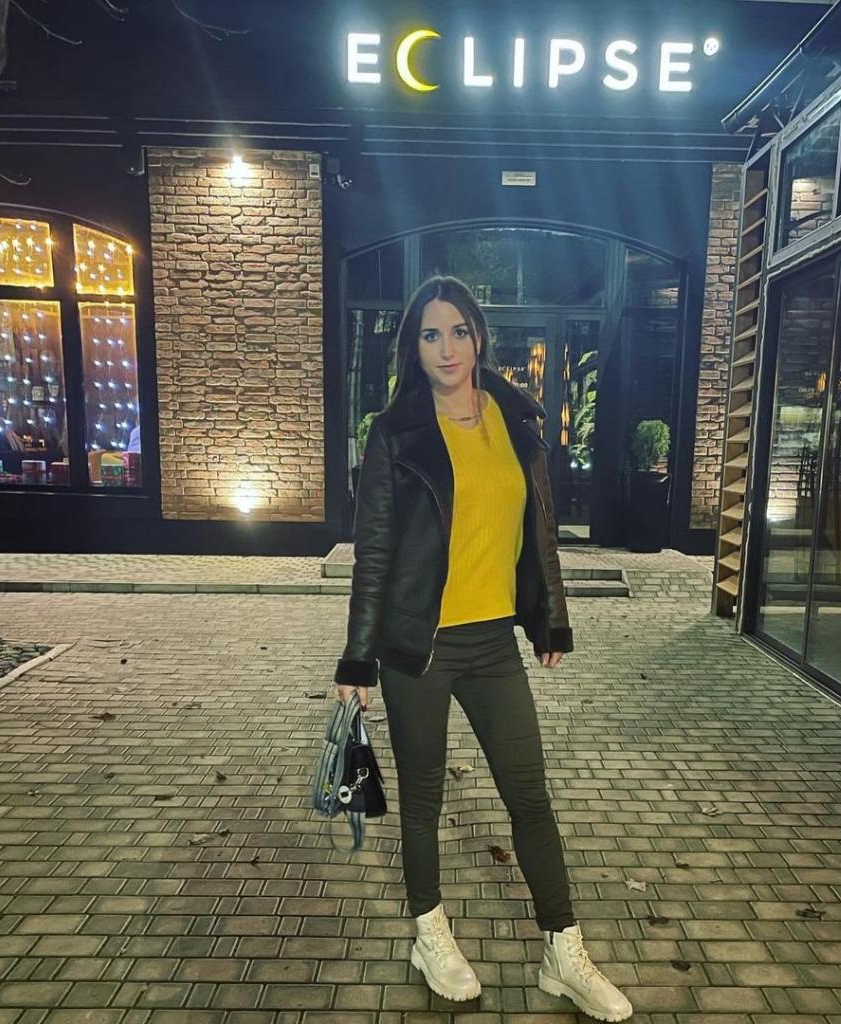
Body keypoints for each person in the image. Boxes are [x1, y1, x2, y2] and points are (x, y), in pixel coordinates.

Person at [334, 276, 633, 1021]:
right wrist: (357, 657)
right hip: (420, 647)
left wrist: (550, 620)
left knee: (529, 797)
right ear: (413, 347)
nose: (447, 349)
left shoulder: (514, 418)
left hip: (495, 642)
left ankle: (563, 953)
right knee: (424, 801)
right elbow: (374, 552)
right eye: (430, 334)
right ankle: (430, 937)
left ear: (478, 337)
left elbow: (540, 531)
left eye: (459, 331)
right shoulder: (395, 431)